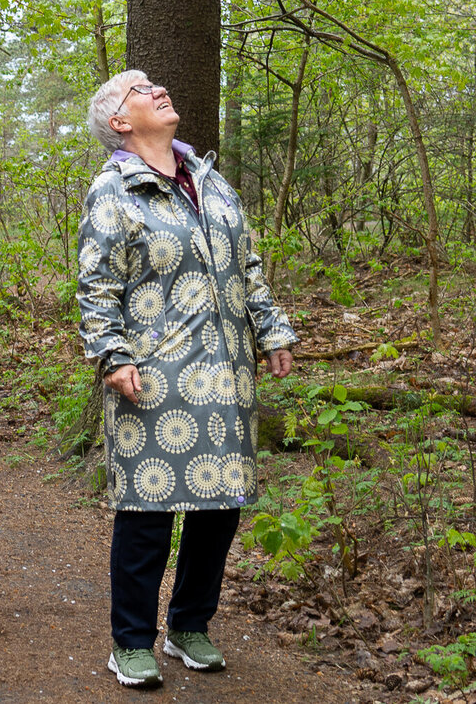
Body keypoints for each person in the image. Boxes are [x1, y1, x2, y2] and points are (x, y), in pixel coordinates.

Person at [77, 70, 299, 688]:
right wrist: (114, 356)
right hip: (155, 376)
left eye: (154, 84)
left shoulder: (209, 178)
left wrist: (272, 327)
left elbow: (247, 264)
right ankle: (131, 643)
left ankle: (189, 626)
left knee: (219, 506)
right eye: (139, 90)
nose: (157, 90)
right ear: (120, 123)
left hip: (228, 374)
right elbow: (97, 289)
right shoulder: (112, 191)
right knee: (147, 512)